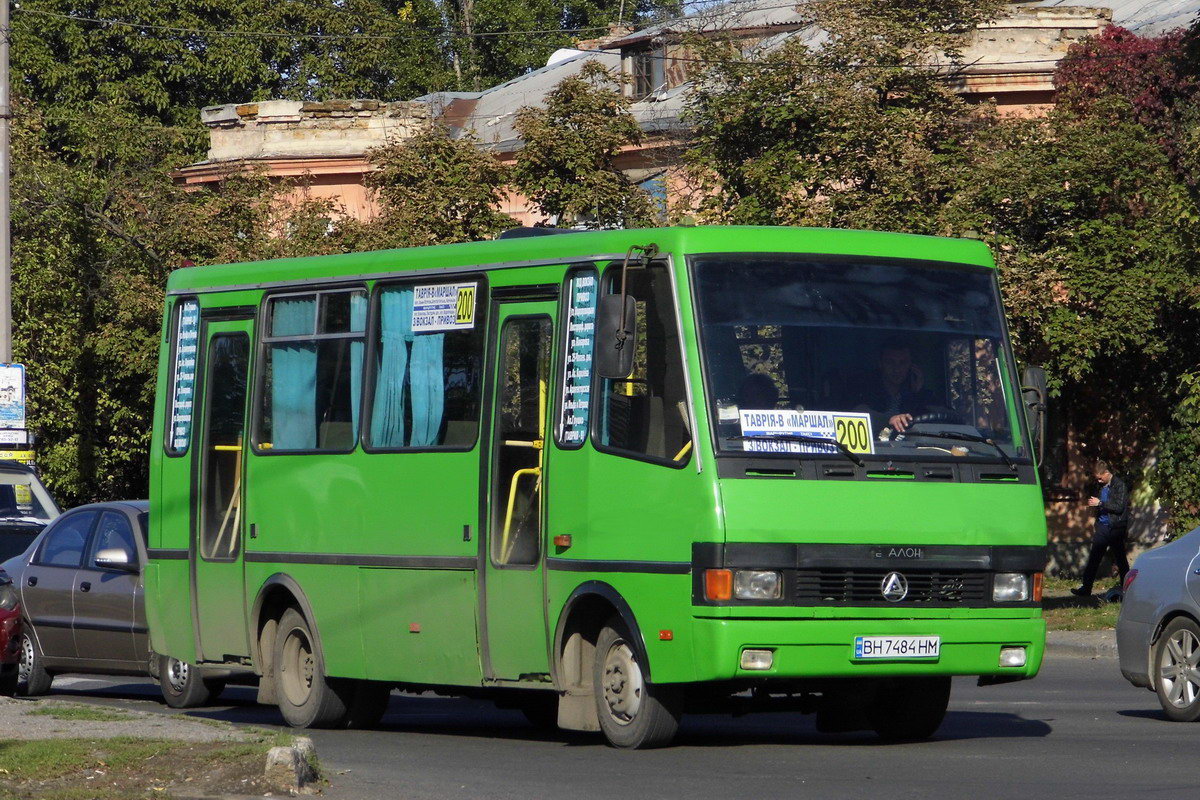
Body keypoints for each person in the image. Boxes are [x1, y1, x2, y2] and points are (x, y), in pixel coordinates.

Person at [1071, 460, 1131, 597]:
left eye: (1100, 477)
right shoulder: (1101, 487)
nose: (1098, 480)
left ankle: (1127, 588)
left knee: (1120, 559)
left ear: (1106, 473)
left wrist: (1101, 503)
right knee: (1094, 557)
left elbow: (1119, 507)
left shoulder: (1119, 485)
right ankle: (1086, 588)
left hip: (1115, 527)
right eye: (1096, 478)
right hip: (1103, 526)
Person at [855, 339, 933, 434]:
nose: (897, 369)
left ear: (911, 366)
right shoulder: (867, 391)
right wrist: (889, 420)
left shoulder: (918, 395)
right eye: (890, 362)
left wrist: (919, 394)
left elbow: (934, 416)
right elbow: (859, 412)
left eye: (903, 363)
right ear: (881, 364)